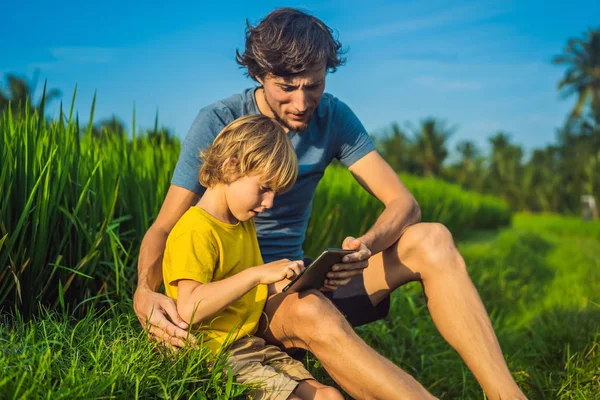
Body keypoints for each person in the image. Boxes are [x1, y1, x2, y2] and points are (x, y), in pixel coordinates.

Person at [134, 7, 527, 400]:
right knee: (309, 309)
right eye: (287, 86)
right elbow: (166, 226)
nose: (303, 102)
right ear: (258, 74)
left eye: (314, 85)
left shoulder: (333, 116)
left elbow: (404, 203)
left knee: (432, 239)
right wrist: (143, 292)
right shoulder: (221, 122)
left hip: (303, 276)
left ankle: (506, 395)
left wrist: (367, 246)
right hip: (250, 302)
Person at [162, 114, 343, 399]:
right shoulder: (195, 229)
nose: (269, 203)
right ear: (231, 165)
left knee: (328, 394)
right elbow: (189, 307)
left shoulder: (242, 224)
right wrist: (256, 274)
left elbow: (245, 293)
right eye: (264, 189)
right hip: (213, 350)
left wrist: (288, 281)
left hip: (248, 344)